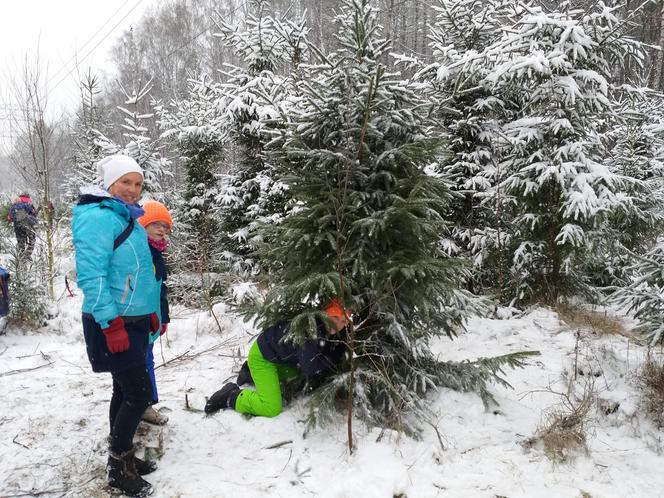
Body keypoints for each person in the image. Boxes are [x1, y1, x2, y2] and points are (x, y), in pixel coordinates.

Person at [72, 154, 160, 498]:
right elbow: (92, 277)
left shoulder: (125, 216)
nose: (133, 190)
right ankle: (118, 467)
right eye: (125, 182)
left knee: (124, 390)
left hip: (132, 319)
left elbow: (139, 274)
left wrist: (150, 312)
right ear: (108, 182)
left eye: (137, 184)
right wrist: (111, 324)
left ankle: (124, 457)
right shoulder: (97, 218)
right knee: (138, 392)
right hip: (111, 321)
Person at [204, 299, 349, 417]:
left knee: (296, 373)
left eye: (343, 321)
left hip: (275, 358)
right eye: (334, 317)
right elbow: (310, 368)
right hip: (262, 358)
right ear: (324, 314)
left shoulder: (320, 326)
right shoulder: (310, 331)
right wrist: (337, 354)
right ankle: (231, 396)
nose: (338, 325)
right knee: (271, 408)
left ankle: (249, 373)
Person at [137, 200, 172, 426]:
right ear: (143, 224)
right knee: (140, 363)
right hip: (138, 319)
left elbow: (160, 289)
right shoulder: (140, 251)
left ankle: (144, 404)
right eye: (155, 224)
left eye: (165, 226)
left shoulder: (156, 253)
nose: (161, 229)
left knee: (147, 360)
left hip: (152, 320)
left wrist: (164, 317)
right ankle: (141, 405)